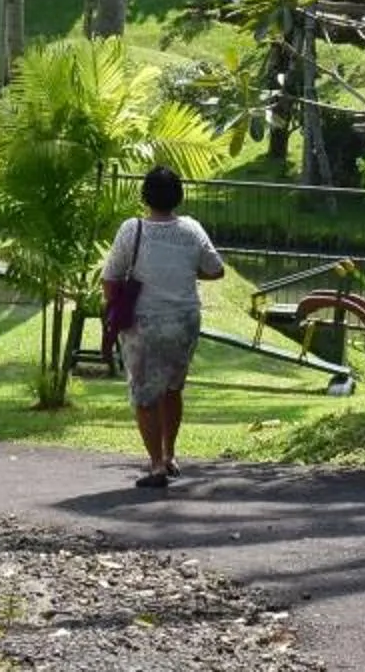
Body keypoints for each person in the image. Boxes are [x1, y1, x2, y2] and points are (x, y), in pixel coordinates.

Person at [101, 164, 222, 488]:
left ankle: (156, 466)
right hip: (185, 321)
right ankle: (170, 455)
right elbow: (216, 269)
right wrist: (183, 272)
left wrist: (115, 311)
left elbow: (110, 276)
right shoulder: (192, 229)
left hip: (145, 322)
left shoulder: (132, 229)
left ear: (145, 195)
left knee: (145, 395)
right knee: (172, 388)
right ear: (178, 196)